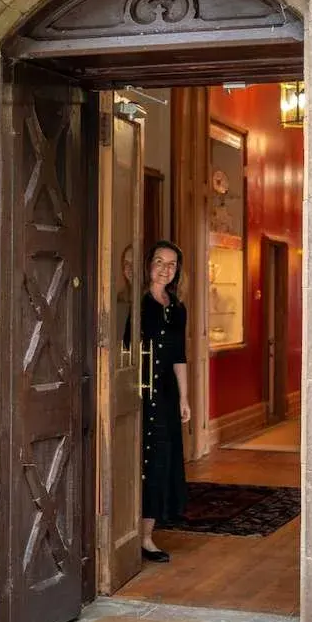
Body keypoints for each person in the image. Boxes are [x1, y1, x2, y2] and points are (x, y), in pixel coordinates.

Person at [125, 240, 191, 563]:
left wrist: (185, 397)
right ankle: (126, 536)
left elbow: (179, 356)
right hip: (137, 390)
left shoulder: (177, 308)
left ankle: (147, 537)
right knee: (137, 459)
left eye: (172, 264)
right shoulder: (136, 304)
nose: (166, 269)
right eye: (160, 262)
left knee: (160, 461)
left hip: (165, 395)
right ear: (148, 265)